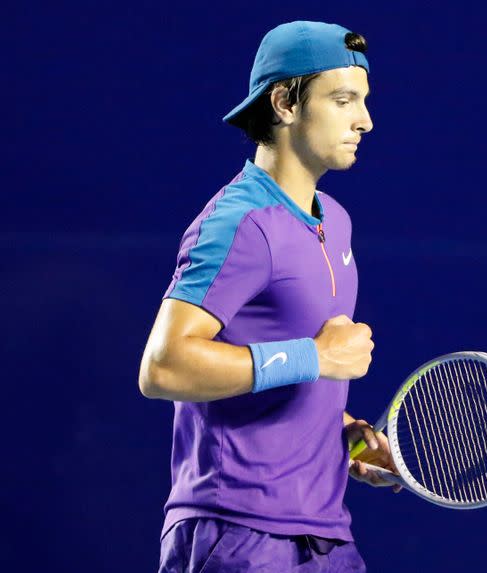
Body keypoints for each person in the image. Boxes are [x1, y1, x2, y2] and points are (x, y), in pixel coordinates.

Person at [138, 20, 397, 572]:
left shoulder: (338, 224)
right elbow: (164, 365)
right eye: (343, 99)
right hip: (234, 533)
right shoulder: (240, 222)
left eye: (364, 101)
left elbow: (282, 368)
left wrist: (341, 433)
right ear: (284, 102)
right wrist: (318, 356)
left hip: (325, 537)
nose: (365, 121)